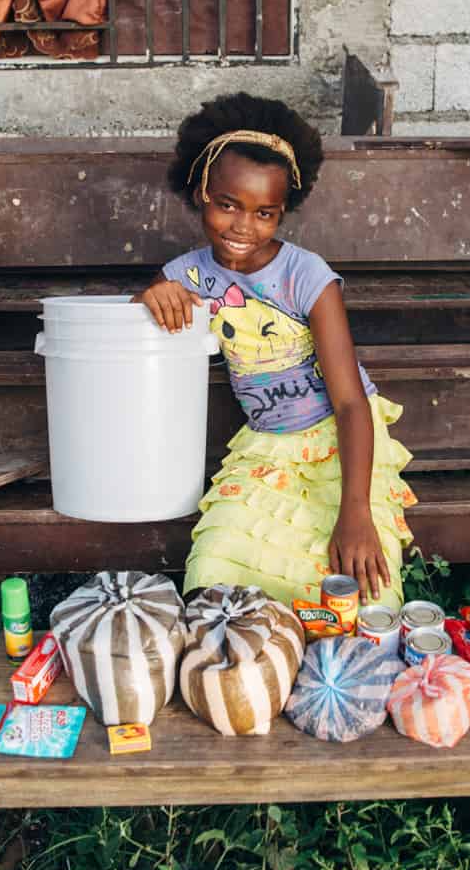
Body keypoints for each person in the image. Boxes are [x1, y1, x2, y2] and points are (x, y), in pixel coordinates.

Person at [135, 92, 417, 611]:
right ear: (202, 192)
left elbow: (352, 404)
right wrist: (151, 296)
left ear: (282, 210)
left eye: (264, 213)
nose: (244, 227)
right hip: (267, 448)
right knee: (214, 569)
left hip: (343, 446)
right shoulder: (187, 275)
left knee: (359, 587)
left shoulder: (306, 276)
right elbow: (136, 326)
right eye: (228, 206)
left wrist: (355, 512)